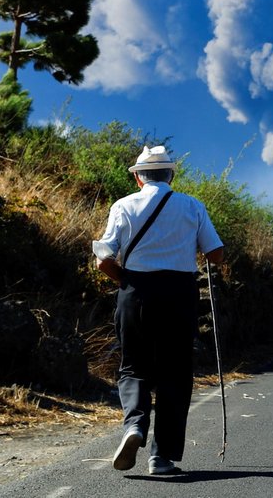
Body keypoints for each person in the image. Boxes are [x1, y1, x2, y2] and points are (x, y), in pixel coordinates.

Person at [92, 145, 224, 475]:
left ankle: (134, 427)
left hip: (135, 292)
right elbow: (216, 254)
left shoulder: (123, 206)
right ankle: (161, 458)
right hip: (179, 293)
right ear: (171, 176)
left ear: (137, 177)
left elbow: (102, 260)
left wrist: (128, 281)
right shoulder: (192, 206)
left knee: (134, 366)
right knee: (175, 373)